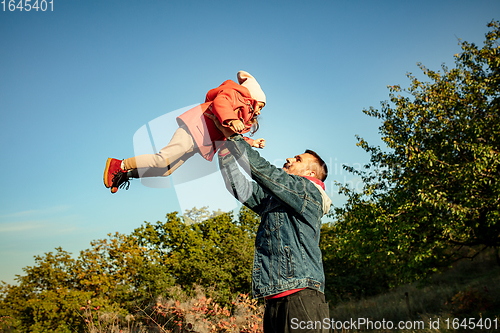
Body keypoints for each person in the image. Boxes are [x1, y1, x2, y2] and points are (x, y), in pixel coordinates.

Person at [205, 113, 332, 333]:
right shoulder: (276, 199)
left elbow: (265, 173)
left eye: (298, 159)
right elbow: (241, 188)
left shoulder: (308, 191)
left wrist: (235, 137)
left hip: (302, 295)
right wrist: (225, 146)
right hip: (275, 297)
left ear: (311, 173)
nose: (290, 159)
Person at [103, 71, 267, 193]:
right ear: (253, 97)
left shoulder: (240, 116)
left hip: (199, 142)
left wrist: (252, 142)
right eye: (260, 106)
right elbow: (220, 103)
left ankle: (125, 174)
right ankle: (120, 164)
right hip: (194, 129)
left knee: (165, 170)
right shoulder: (234, 95)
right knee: (162, 160)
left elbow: (233, 136)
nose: (259, 112)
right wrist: (231, 119)